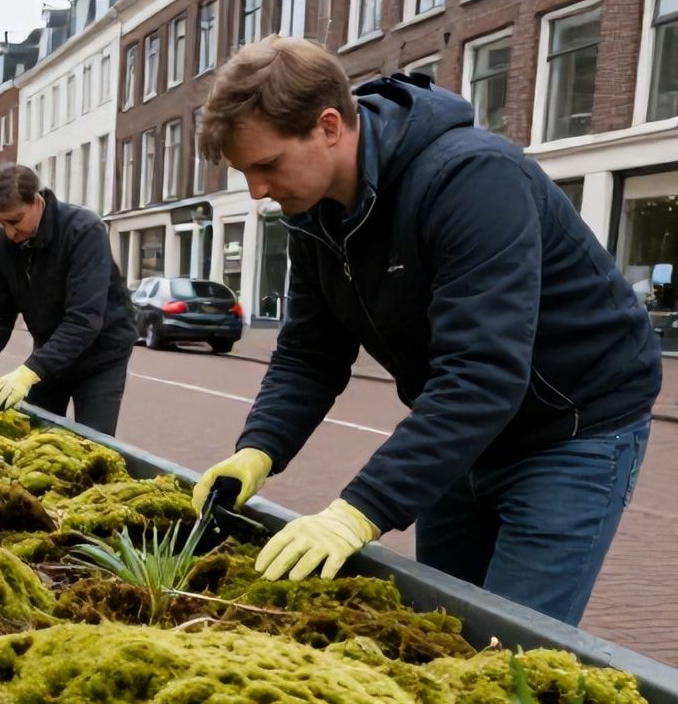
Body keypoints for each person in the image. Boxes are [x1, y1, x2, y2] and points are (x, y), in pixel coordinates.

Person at [190, 36, 659, 623]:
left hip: (572, 429)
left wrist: (357, 512)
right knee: (442, 625)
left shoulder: (472, 178)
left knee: (510, 646)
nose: (257, 191)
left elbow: (484, 373)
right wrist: (258, 450)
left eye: (267, 165)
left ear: (328, 126)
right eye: (244, 172)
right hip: (463, 431)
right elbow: (311, 354)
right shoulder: (313, 214)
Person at [0, 164, 136, 434]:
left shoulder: (85, 231)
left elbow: (84, 319)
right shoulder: (3, 244)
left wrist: (29, 372)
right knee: (33, 433)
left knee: (93, 442)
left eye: (15, 221)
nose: (10, 232)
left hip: (101, 356)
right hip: (51, 353)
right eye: (1, 223)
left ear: (37, 201)